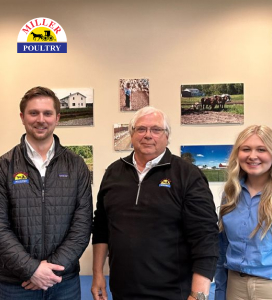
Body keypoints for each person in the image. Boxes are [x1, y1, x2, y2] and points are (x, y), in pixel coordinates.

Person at [91, 106, 218, 300]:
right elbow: (101, 227)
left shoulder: (188, 174)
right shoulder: (113, 172)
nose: (148, 135)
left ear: (167, 136)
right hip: (122, 291)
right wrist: (98, 273)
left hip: (174, 293)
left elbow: (205, 237)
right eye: (141, 129)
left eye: (156, 130)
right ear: (132, 134)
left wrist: (199, 294)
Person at [0, 86, 93, 300]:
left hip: (63, 282)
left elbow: (82, 224)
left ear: (57, 118)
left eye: (47, 113)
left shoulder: (76, 165)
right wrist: (31, 269)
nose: (41, 119)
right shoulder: (4, 166)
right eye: (34, 113)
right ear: (22, 117)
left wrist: (49, 271)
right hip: (16, 283)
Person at [215, 125, 272, 300]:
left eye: (261, 149)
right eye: (246, 149)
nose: (252, 156)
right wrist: (220, 290)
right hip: (235, 284)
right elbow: (222, 246)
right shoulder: (231, 194)